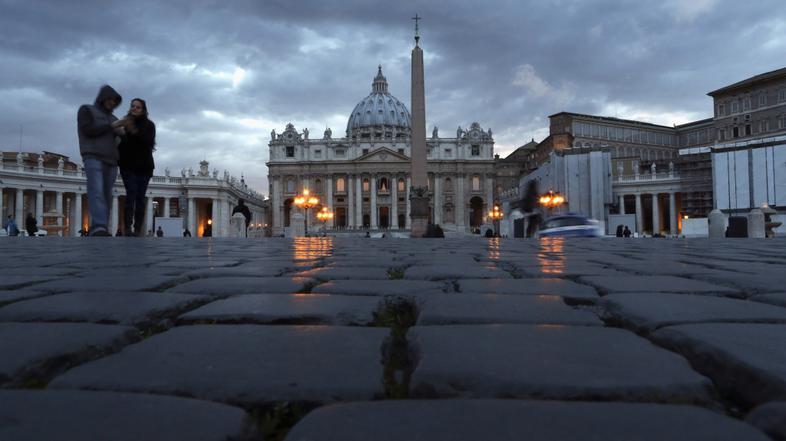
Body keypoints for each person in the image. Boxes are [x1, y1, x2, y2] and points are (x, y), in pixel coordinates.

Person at [78, 85, 127, 236]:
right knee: (96, 190)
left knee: (106, 194)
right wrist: (111, 127)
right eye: (110, 99)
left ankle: (100, 227)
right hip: (93, 155)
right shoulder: (86, 110)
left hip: (111, 160)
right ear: (102, 98)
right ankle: (99, 226)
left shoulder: (114, 119)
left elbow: (121, 142)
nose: (112, 103)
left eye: (115, 101)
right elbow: (88, 130)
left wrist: (124, 134)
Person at [118, 98, 156, 237]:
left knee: (140, 198)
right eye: (132, 106)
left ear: (144, 110)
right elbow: (121, 145)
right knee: (131, 193)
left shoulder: (149, 126)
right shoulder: (124, 124)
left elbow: (147, 142)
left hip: (144, 167)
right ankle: (127, 227)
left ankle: (138, 228)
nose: (134, 108)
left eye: (138, 107)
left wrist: (132, 129)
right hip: (128, 166)